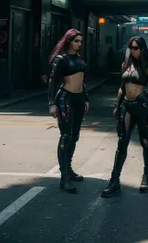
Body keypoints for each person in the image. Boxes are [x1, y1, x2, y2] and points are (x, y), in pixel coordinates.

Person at [102, 36, 148, 198]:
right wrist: (117, 106)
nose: (132, 50)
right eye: (130, 48)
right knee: (122, 142)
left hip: (142, 105)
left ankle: (146, 176)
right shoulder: (125, 65)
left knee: (144, 141)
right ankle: (114, 181)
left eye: (135, 48)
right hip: (127, 105)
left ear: (142, 49)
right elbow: (122, 87)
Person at [47, 29, 89, 194]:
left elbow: (82, 81)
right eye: (76, 41)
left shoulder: (79, 59)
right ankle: (64, 177)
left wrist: (86, 99)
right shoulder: (61, 59)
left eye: (80, 41)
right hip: (65, 98)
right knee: (66, 135)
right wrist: (52, 104)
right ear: (69, 41)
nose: (79, 44)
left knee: (75, 136)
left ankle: (69, 170)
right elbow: (52, 81)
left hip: (79, 99)